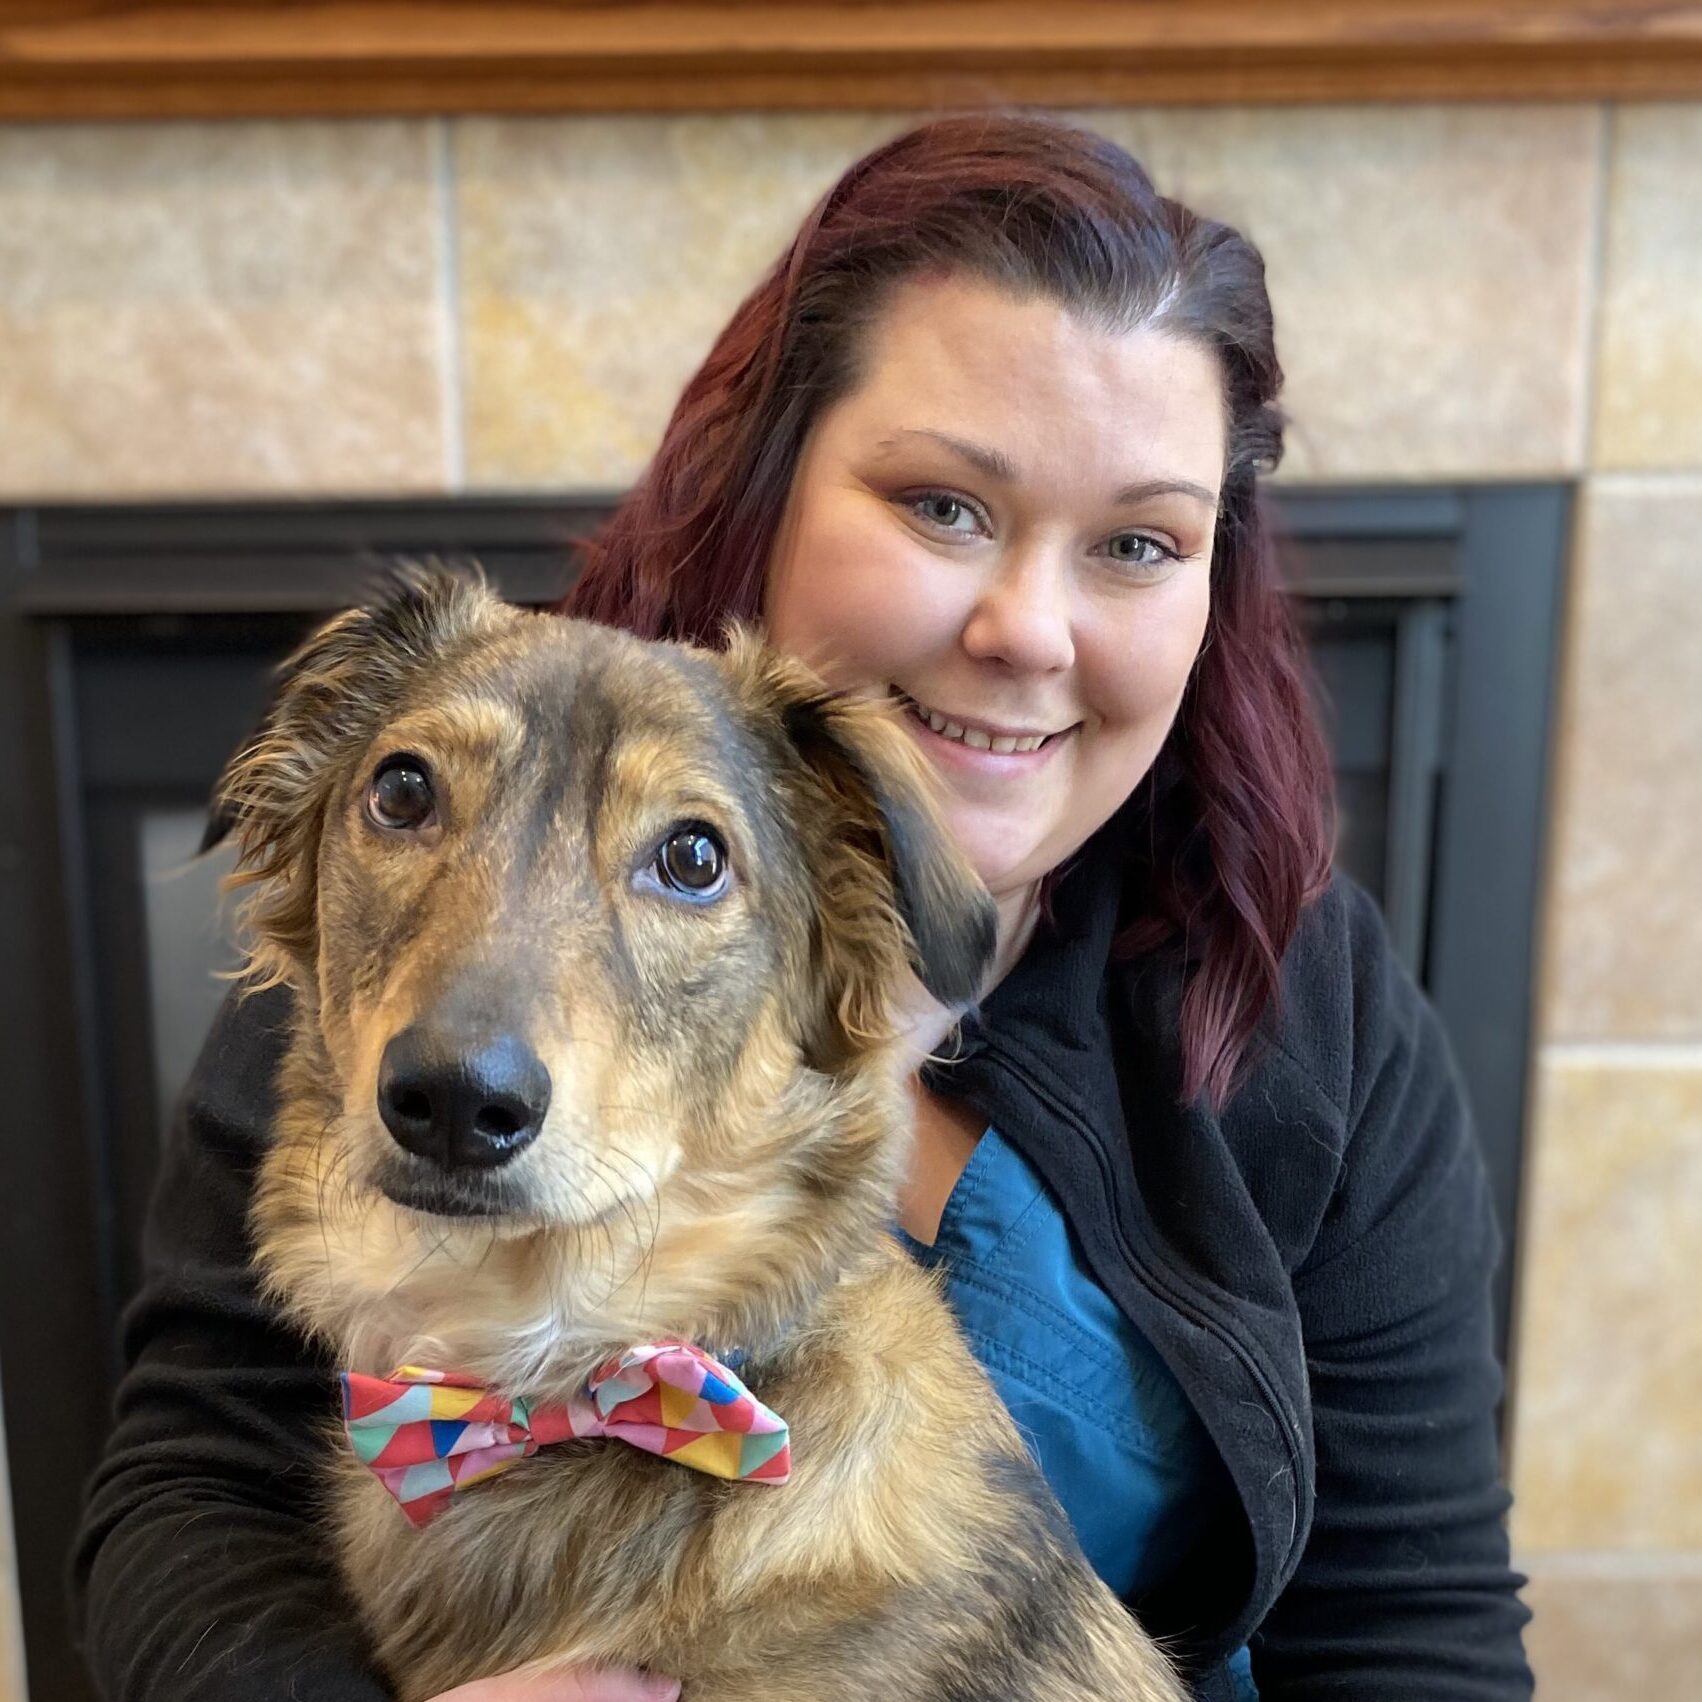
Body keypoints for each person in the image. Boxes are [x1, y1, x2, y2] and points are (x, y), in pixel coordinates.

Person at [72, 112, 1532, 1702]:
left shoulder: (1304, 992)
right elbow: (185, 1490)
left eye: (1134, 542)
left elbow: (1415, 1632)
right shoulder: (419, 922)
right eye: (943, 504)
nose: (1024, 630)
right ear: (769, 486)